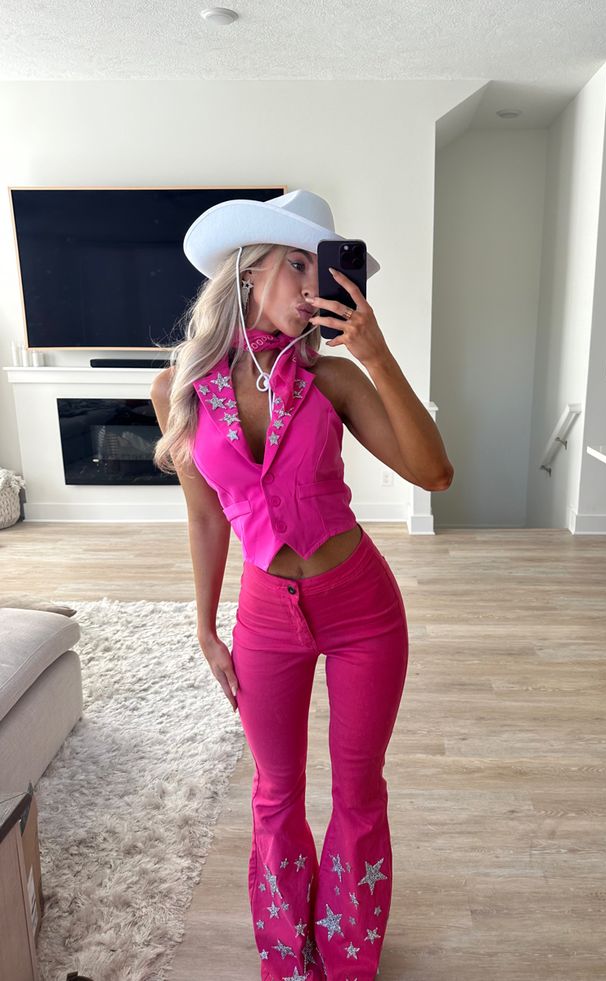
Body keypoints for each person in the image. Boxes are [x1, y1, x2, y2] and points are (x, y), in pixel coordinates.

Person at [150, 189, 453, 981]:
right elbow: (208, 518)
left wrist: (377, 353)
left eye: (322, 272)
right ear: (249, 269)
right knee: (276, 794)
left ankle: (350, 959)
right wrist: (205, 626)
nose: (311, 286)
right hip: (264, 616)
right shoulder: (179, 387)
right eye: (296, 266)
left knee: (357, 792)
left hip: (361, 605)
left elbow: (435, 471)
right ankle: (289, 959)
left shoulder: (334, 379)